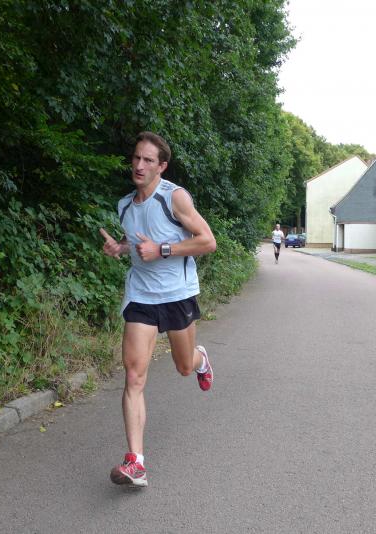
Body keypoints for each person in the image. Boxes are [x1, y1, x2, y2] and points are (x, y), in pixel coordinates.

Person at [100, 131, 217, 488]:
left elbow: (207, 241)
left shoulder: (174, 197)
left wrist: (162, 250)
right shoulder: (124, 205)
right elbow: (137, 242)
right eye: (136, 157)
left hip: (177, 293)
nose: (139, 165)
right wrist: (120, 249)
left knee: (184, 367)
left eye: (148, 160)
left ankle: (200, 359)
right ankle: (135, 462)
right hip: (141, 296)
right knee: (134, 376)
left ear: (161, 166)